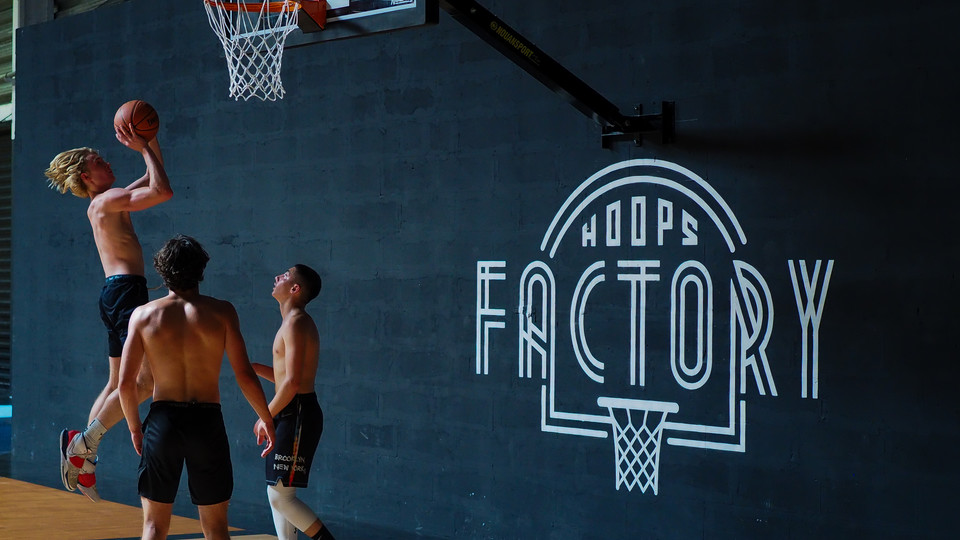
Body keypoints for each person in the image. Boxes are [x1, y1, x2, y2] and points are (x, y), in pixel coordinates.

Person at [45, 122, 173, 501]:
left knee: (118, 383)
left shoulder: (103, 201)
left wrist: (149, 142)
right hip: (126, 294)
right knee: (145, 383)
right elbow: (163, 190)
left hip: (115, 293)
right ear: (87, 176)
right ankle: (84, 443)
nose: (108, 163)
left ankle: (82, 456)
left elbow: (152, 177)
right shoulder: (108, 200)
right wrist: (143, 148)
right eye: (100, 161)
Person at [118, 234, 276, 540]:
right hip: (206, 422)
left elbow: (126, 384)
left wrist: (136, 428)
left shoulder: (143, 315)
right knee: (216, 528)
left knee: (153, 527)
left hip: (162, 422)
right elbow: (244, 374)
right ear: (201, 269)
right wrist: (267, 419)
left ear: (162, 271)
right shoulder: (222, 312)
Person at [250, 264, 337, 540]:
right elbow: (285, 377)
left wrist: (266, 416)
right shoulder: (290, 322)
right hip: (291, 411)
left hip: (297, 414)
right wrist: (251, 368)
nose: (277, 277)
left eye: (285, 276)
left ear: (294, 289)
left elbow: (293, 384)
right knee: (277, 492)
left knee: (280, 496)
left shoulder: (297, 322)